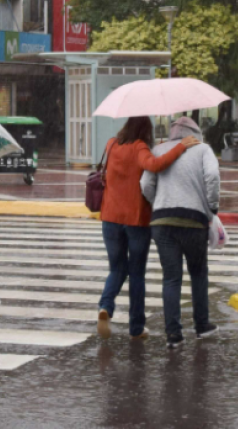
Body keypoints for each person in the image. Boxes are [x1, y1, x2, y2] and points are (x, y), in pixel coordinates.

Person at [97, 116, 199, 340]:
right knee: (136, 274)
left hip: (110, 219)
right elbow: (154, 165)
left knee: (116, 268)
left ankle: (105, 306)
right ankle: (136, 328)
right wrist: (179, 147)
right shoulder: (139, 147)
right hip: (136, 220)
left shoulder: (112, 144)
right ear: (145, 129)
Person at [141, 117, 221, 349]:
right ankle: (201, 325)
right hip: (194, 221)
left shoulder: (158, 149)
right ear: (195, 132)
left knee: (171, 277)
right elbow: (213, 177)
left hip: (163, 221)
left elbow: (145, 183)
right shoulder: (203, 149)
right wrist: (212, 207)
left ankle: (173, 334)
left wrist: (160, 203)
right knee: (198, 273)